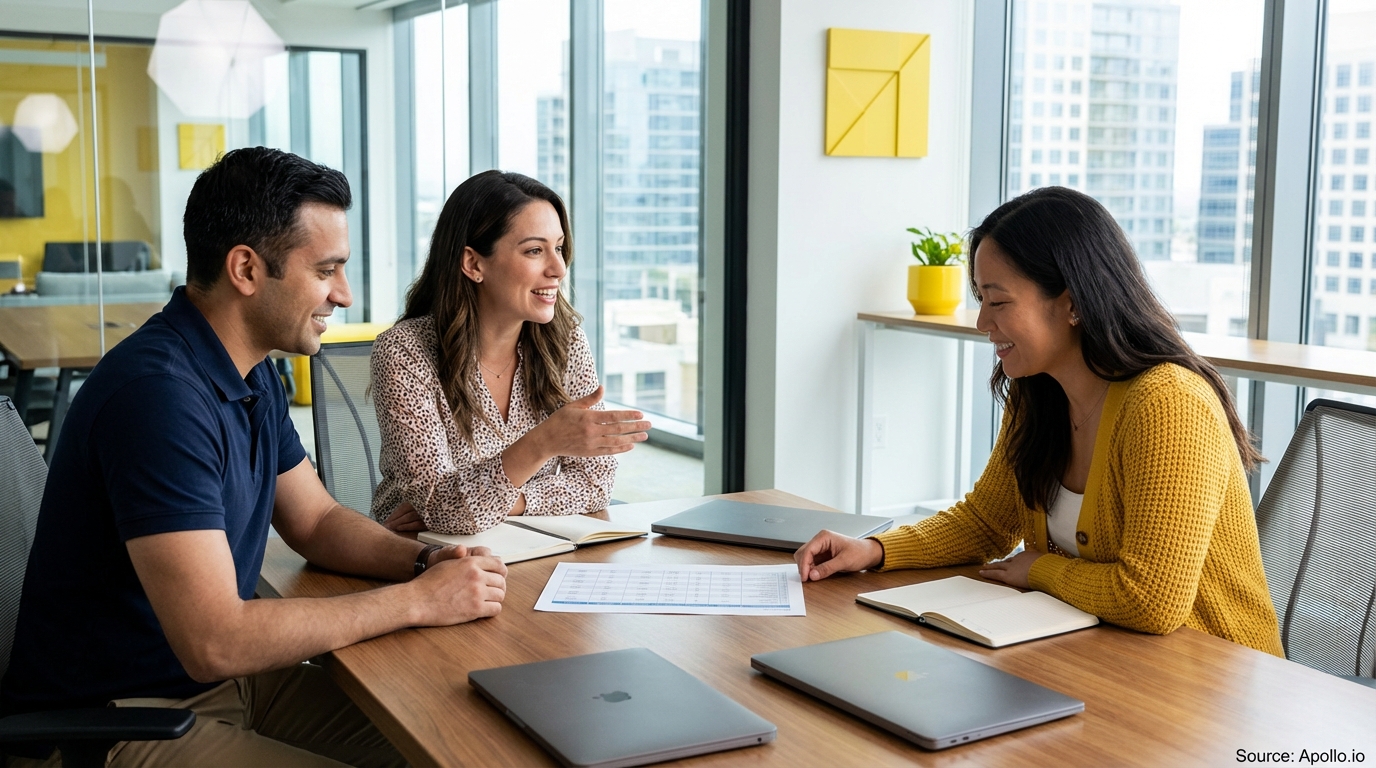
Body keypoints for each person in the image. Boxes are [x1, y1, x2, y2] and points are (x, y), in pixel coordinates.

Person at [0, 147, 508, 767]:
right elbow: (215, 640)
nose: (343, 295)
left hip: (222, 687)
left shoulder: (251, 372)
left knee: (446, 742)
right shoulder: (157, 397)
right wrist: (419, 602)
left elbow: (315, 520)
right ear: (245, 268)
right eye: (326, 270)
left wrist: (427, 560)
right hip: (117, 719)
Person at [796, 186, 1284, 657]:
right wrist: (875, 550)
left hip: (1218, 682)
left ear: (1071, 303)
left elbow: (1151, 600)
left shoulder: (1168, 403)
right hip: (1103, 658)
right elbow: (986, 523)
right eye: (981, 299)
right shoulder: (1038, 393)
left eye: (998, 301)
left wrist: (1041, 571)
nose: (983, 322)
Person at [371, 171, 650, 536]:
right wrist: (543, 442)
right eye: (535, 250)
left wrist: (500, 503)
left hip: (536, 545)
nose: (559, 268)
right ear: (473, 264)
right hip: (420, 553)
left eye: (559, 247)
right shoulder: (404, 351)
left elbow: (595, 486)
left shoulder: (565, 341)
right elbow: (443, 511)